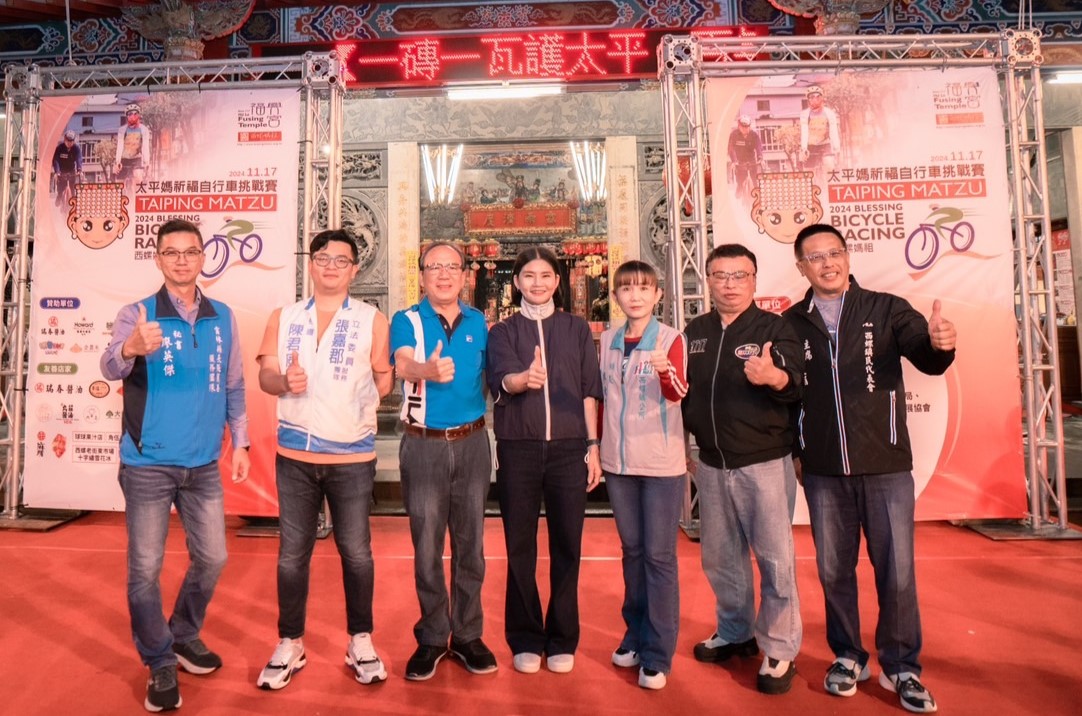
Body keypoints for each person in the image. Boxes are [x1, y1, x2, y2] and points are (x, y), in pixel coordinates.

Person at [784, 223, 955, 714]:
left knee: (897, 572)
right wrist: (797, 452)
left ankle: (901, 666)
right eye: (815, 257)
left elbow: (926, 355)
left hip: (886, 466)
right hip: (822, 471)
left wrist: (940, 344)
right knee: (833, 570)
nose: (827, 263)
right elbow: (787, 395)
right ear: (801, 267)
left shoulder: (886, 308)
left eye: (834, 252)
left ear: (847, 256)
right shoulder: (791, 323)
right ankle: (847, 656)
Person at [100, 218, 250, 712]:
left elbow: (233, 384)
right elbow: (109, 365)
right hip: (148, 463)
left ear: (203, 257)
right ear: (158, 259)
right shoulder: (137, 314)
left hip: (203, 463)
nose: (182, 260)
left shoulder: (223, 316)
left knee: (214, 558)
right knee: (145, 570)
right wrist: (130, 348)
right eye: (171, 252)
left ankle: (183, 633)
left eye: (190, 252)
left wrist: (242, 442)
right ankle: (160, 661)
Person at [254, 229, 393, 690]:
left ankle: (360, 639)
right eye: (323, 258)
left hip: (352, 456)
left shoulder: (372, 320)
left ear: (355, 269)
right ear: (310, 265)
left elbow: (385, 381)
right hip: (294, 455)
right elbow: (267, 376)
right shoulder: (285, 317)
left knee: (356, 552)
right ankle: (290, 641)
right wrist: (284, 383)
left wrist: (371, 393)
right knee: (292, 554)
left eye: (341, 260)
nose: (331, 266)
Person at [682, 243, 804, 696]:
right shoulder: (695, 331)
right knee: (721, 557)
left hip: (763, 463)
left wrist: (774, 377)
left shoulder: (775, 328)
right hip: (712, 463)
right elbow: (680, 391)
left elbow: (796, 384)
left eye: (739, 276)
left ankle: (780, 647)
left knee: (774, 559)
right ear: (708, 280)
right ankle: (735, 631)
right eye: (720, 276)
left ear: (754, 280)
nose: (730, 285)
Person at [486, 247, 603, 676]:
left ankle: (562, 637)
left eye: (545, 275)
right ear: (517, 282)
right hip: (518, 447)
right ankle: (525, 637)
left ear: (557, 281)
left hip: (570, 450)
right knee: (520, 545)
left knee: (567, 544)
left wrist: (593, 445)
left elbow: (589, 391)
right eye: (529, 276)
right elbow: (502, 379)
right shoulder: (502, 332)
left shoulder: (576, 329)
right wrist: (524, 379)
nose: (537, 283)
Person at [391, 241, 498, 680]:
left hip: (473, 443)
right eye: (434, 267)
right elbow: (402, 365)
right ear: (422, 276)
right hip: (424, 446)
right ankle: (433, 636)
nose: (444, 274)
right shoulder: (407, 320)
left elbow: (491, 381)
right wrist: (426, 371)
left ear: (465, 275)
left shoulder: (479, 323)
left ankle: (468, 635)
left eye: (452, 267)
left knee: (471, 546)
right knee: (427, 546)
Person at [597, 260, 687, 690]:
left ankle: (657, 653)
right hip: (618, 464)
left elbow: (679, 392)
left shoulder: (671, 338)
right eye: (626, 289)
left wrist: (666, 371)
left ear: (657, 295)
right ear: (615, 296)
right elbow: (601, 397)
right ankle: (634, 635)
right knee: (632, 552)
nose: (635, 296)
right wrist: (595, 448)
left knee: (659, 556)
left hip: (661, 465)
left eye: (643, 288)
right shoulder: (607, 340)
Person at [799, 86, 841, 179]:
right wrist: (804, 148)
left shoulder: (829, 113)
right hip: (810, 145)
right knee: (809, 173)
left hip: (825, 144)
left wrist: (836, 147)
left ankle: (831, 184)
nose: (815, 99)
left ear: (822, 98)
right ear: (808, 100)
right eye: (812, 97)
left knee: (829, 165)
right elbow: (804, 131)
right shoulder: (805, 114)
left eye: (818, 96)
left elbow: (833, 131)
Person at [727, 115, 763, 201]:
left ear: (749, 126)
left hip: (751, 161)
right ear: (739, 126)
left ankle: (757, 199)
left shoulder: (754, 135)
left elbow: (758, 146)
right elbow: (731, 149)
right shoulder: (734, 134)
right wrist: (734, 161)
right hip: (739, 161)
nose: (745, 129)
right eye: (742, 127)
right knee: (740, 180)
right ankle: (740, 188)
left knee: (755, 181)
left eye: (747, 127)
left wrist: (760, 157)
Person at [116, 102, 151, 189]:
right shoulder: (122, 130)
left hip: (136, 158)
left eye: (135, 114)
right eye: (130, 114)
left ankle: (137, 195)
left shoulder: (144, 129)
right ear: (127, 116)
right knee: (120, 184)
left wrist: (146, 162)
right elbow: (120, 146)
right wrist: (117, 161)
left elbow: (145, 146)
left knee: (138, 178)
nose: (133, 116)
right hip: (124, 159)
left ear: (138, 115)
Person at [52, 129, 82, 208]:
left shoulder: (76, 148)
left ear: (73, 141)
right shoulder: (59, 148)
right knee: (60, 188)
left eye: (71, 141)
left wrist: (79, 169)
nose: (69, 143)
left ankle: (73, 206)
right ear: (64, 140)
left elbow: (79, 158)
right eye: (68, 141)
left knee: (72, 190)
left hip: (71, 170)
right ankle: (59, 196)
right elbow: (55, 160)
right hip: (61, 171)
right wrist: (57, 171)